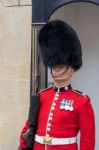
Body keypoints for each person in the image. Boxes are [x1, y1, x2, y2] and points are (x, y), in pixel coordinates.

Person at [18, 20, 95, 150]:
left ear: (71, 69)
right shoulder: (41, 96)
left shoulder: (82, 102)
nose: (56, 68)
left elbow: (87, 141)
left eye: (61, 65)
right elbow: (27, 129)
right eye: (54, 65)